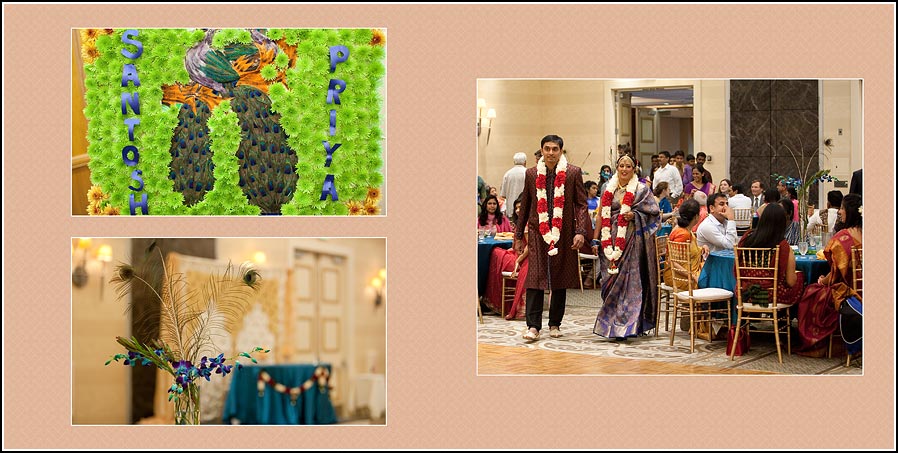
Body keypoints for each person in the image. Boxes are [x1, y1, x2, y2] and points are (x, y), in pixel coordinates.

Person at [515, 135, 590, 341]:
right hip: (537, 232)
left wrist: (580, 231)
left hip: (563, 232)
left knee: (559, 277)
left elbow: (581, 204)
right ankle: (533, 327)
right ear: (541, 150)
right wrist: (519, 235)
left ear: (561, 151)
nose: (550, 153)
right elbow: (525, 207)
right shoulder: (531, 174)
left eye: (554, 149)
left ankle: (555, 323)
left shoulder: (573, 173)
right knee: (535, 278)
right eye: (546, 149)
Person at [592, 154, 660, 341]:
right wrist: (596, 239)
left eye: (628, 166)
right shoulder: (607, 188)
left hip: (632, 242)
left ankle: (627, 327)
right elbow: (600, 216)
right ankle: (610, 325)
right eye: (621, 165)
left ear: (634, 169)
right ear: (617, 167)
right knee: (609, 282)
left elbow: (654, 214)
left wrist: (636, 215)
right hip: (609, 242)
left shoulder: (641, 190)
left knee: (631, 286)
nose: (624, 169)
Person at [797, 193, 863, 357]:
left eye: (842, 208)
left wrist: (821, 280)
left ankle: (818, 344)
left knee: (812, 291)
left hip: (850, 294)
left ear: (850, 211)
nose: (839, 212)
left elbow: (834, 276)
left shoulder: (842, 238)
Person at [736, 201, 806, 310]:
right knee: (800, 277)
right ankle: (789, 319)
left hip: (746, 294)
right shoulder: (781, 245)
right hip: (769, 296)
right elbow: (791, 281)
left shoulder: (747, 238)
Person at [665, 198, 709, 333]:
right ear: (696, 217)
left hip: (685, 271)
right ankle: (702, 326)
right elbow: (674, 261)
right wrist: (693, 276)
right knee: (708, 283)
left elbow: (689, 252)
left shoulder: (686, 231)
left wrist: (702, 248)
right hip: (678, 275)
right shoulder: (682, 234)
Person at [484, 197, 530, 320]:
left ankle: (503, 304)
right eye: (516, 208)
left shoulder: (527, 223)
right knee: (496, 253)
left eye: (521, 207)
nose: (518, 210)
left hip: (525, 258)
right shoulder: (521, 222)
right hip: (518, 255)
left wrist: (519, 260)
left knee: (496, 254)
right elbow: (516, 246)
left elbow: (529, 247)